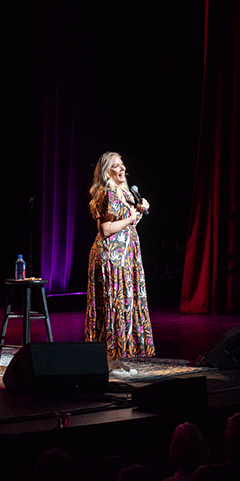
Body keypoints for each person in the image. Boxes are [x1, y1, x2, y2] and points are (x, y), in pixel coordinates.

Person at [86, 151, 154, 371]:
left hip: (124, 257)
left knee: (119, 306)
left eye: (122, 164)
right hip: (111, 258)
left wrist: (137, 212)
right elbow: (106, 230)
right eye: (116, 166)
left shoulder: (122, 194)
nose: (122, 168)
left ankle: (113, 359)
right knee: (111, 306)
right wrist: (132, 217)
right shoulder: (108, 194)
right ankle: (106, 361)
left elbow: (126, 226)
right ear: (107, 171)